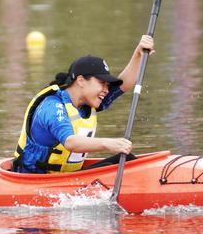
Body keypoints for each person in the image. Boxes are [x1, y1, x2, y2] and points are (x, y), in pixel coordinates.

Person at [12, 35, 155, 174]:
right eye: (102, 83)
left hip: (67, 179)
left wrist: (139, 54)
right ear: (80, 81)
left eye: (107, 85)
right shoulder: (53, 106)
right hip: (34, 179)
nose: (106, 90)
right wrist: (109, 143)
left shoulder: (87, 102)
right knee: (118, 166)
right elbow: (70, 142)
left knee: (126, 160)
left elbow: (124, 84)